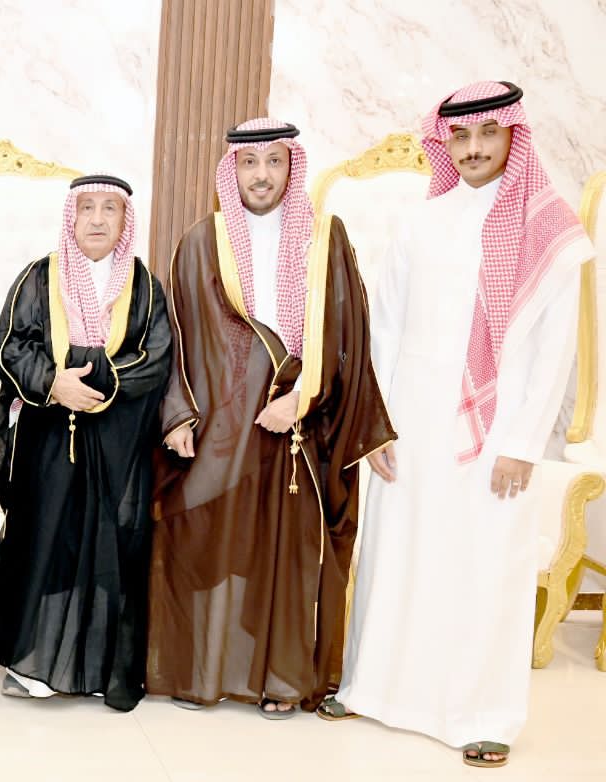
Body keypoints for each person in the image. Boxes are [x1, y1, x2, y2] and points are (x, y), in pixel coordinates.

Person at [324, 81, 591, 769]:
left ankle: (483, 716)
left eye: (487, 134)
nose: (472, 149)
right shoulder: (421, 222)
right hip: (411, 420)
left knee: (483, 566)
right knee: (399, 554)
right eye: (461, 137)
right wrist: (375, 428)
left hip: (497, 429)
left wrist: (524, 444)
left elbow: (554, 349)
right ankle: (372, 689)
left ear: (513, 136)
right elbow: (384, 330)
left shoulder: (549, 229)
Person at [149, 119, 394, 718]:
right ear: (231, 171)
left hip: (297, 427)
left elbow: (346, 334)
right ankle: (204, 674)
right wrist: (176, 416)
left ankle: (281, 681)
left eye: (275, 162)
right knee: (208, 543)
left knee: (287, 553)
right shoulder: (200, 242)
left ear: (292, 167)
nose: (262, 175)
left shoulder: (324, 237)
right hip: (218, 428)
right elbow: (173, 338)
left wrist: (302, 398)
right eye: (249, 164)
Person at [0, 174, 172, 711]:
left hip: (118, 446)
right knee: (45, 543)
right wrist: (54, 384)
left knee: (111, 549)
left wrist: (100, 383)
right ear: (71, 216)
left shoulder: (145, 285)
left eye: (109, 210)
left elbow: (156, 356)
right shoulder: (39, 277)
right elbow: (9, 347)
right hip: (48, 441)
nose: (96, 219)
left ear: (124, 220)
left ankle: (99, 667)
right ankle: (33, 664)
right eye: (86, 208)